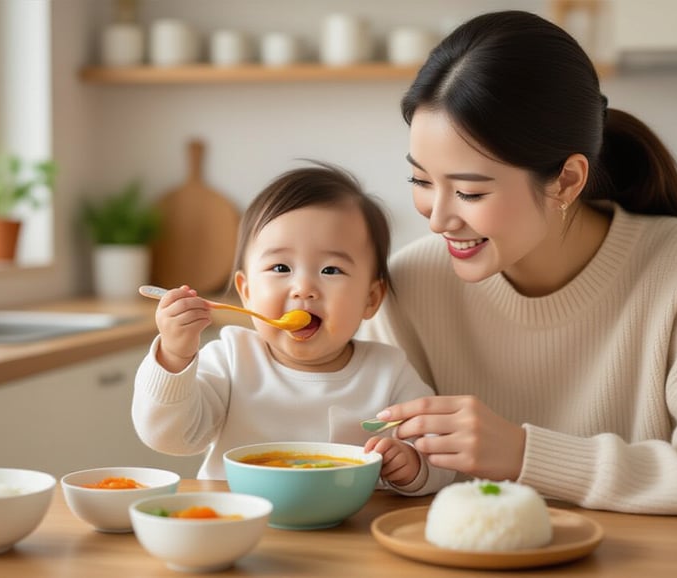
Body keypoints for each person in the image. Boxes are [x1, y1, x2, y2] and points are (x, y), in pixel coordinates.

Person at [359, 10, 677, 550]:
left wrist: (526, 455)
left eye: (470, 192)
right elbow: (367, 470)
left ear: (566, 180)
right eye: (421, 180)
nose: (438, 218)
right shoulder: (411, 283)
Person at [132, 162, 454, 496]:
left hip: (350, 523)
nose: (304, 288)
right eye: (280, 267)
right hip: (239, 518)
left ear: (370, 299)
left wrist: (413, 465)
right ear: (246, 291)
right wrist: (175, 355)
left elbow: (440, 455)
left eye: (331, 270)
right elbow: (168, 437)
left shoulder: (388, 372)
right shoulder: (230, 358)